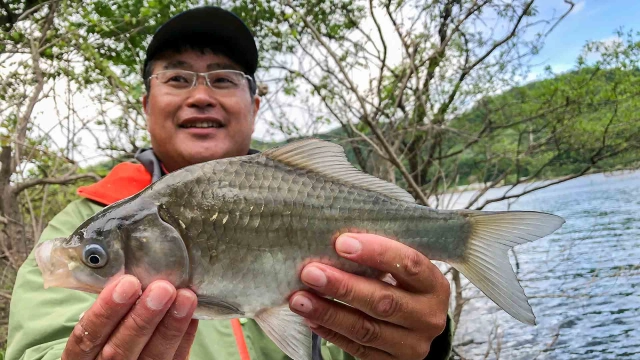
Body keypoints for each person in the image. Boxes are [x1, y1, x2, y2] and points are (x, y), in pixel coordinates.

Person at [6, 6, 453, 360]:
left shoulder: (316, 194)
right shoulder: (85, 216)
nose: (201, 95)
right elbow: (38, 349)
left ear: (254, 105)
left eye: (222, 79)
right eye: (178, 78)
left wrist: (423, 344)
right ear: (146, 104)